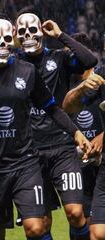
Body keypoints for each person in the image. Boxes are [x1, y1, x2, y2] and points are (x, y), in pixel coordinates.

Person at [0, 12, 91, 240]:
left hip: (27, 161)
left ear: (13, 40)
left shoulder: (28, 70)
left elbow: (52, 106)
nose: (2, 44)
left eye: (7, 39)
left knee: (40, 226)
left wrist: (75, 131)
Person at [15, 6, 98, 239]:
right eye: (22, 31)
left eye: (33, 29)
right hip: (30, 153)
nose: (28, 35)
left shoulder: (58, 58)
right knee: (40, 224)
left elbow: (89, 59)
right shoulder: (14, 65)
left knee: (75, 212)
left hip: (62, 147)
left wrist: (60, 35)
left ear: (41, 31)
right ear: (16, 35)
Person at [63, 65, 105, 240]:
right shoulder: (65, 81)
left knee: (97, 232)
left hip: (101, 161)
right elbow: (63, 111)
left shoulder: (101, 78)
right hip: (79, 161)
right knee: (79, 217)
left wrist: (102, 137)